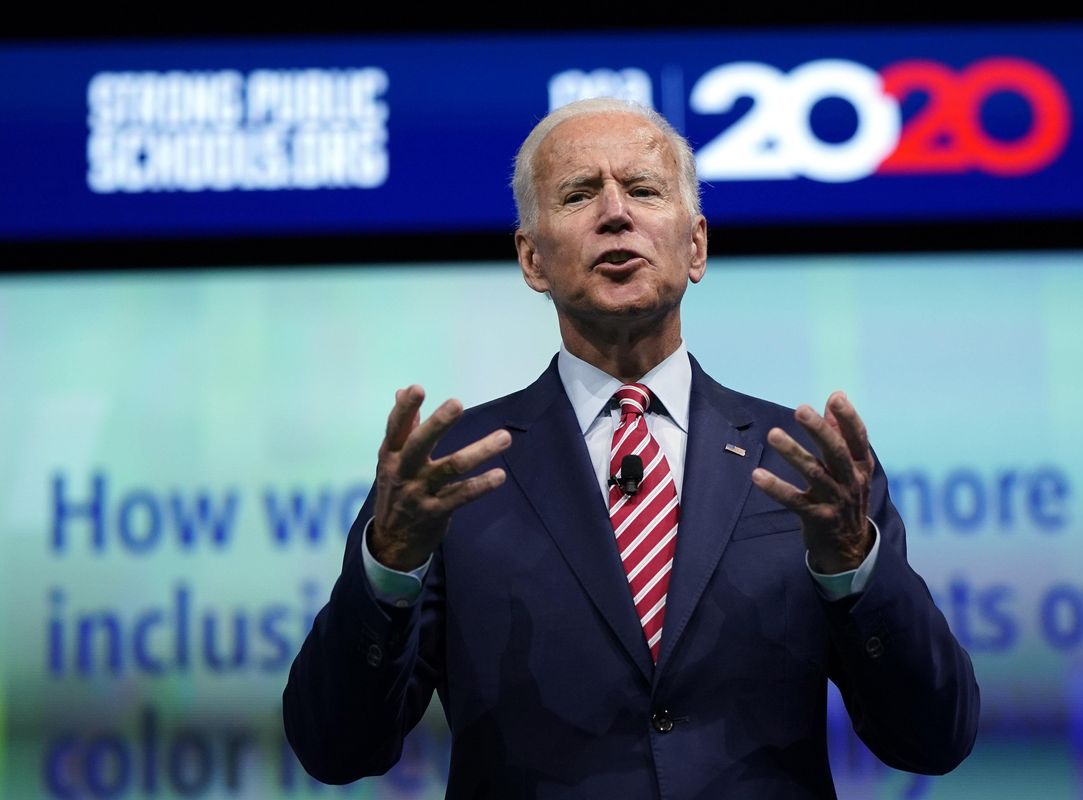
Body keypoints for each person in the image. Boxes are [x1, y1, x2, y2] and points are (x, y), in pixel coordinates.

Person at [282, 96, 979, 799]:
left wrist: (855, 571)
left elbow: (933, 738)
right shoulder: (448, 474)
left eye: (643, 190)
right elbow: (335, 749)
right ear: (532, 258)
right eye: (579, 194)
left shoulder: (806, 465)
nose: (615, 213)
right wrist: (389, 568)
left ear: (696, 246)